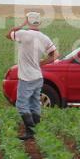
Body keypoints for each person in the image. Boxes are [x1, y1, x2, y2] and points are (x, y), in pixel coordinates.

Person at [6, 11, 57, 140]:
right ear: (39, 22)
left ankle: (30, 131)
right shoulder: (45, 38)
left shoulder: (23, 34)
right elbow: (55, 55)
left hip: (27, 78)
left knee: (21, 104)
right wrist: (42, 63)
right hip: (38, 77)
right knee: (35, 103)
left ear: (28, 21)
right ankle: (36, 130)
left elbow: (8, 34)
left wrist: (21, 25)